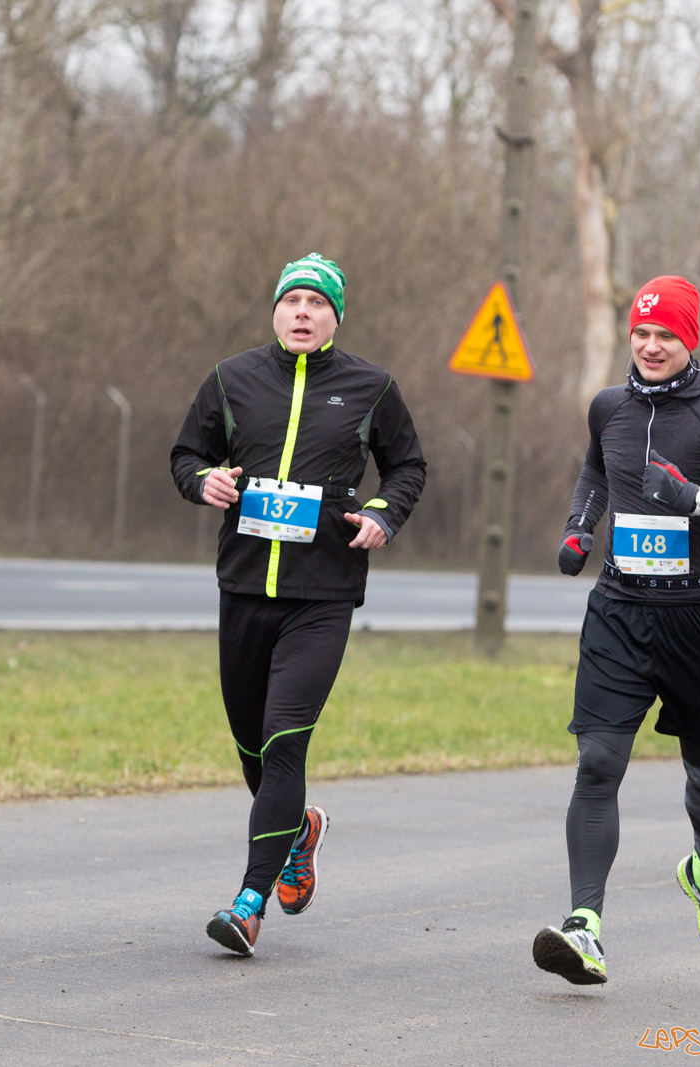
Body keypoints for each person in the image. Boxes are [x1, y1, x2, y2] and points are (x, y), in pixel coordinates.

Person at [533, 276, 700, 986]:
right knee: (597, 762)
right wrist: (579, 528)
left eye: (666, 335)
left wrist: (698, 499)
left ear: (689, 340)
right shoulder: (608, 407)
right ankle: (584, 926)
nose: (650, 346)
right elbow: (596, 469)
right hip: (618, 611)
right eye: (641, 333)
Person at [170, 254, 426, 956]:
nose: (304, 312)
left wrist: (383, 513)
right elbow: (186, 454)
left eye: (318, 303)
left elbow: (408, 466)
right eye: (293, 301)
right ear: (276, 311)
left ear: (336, 317)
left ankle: (248, 903)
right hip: (244, 589)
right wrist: (203, 481)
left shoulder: (371, 387)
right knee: (252, 749)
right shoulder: (232, 379)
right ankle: (300, 830)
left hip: (323, 595)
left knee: (285, 738)